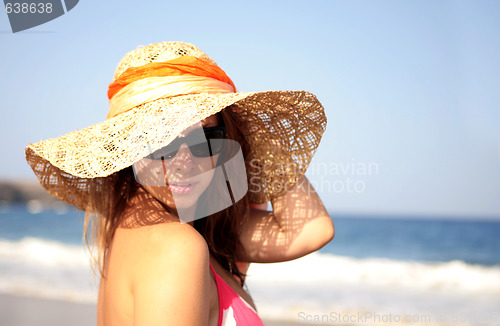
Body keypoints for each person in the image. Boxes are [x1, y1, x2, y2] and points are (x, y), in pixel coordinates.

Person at [25, 41, 334, 326]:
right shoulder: (176, 248)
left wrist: (251, 137)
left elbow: (310, 229)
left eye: (205, 140)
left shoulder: (139, 224)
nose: (185, 162)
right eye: (161, 142)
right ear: (127, 150)